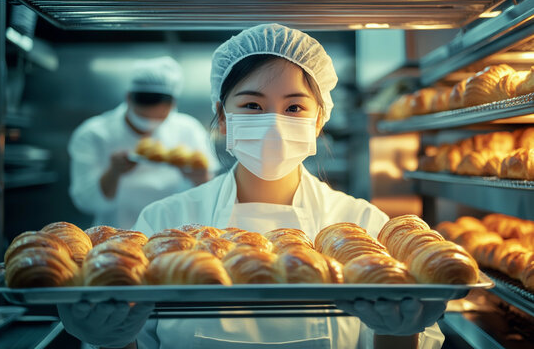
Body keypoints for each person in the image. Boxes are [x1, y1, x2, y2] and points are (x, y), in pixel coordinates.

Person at [59, 24, 445, 349]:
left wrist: (398, 331)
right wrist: (110, 338)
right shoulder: (164, 223)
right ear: (223, 119)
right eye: (252, 106)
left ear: (319, 121)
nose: (274, 124)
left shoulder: (363, 226)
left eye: (294, 107)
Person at [68, 56, 218, 229]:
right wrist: (114, 173)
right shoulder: (94, 134)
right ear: (128, 98)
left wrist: (201, 178)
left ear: (173, 105)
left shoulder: (188, 129)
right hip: (114, 237)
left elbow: (210, 195)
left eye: (159, 117)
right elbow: (85, 202)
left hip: (174, 235)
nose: (149, 123)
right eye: (143, 116)